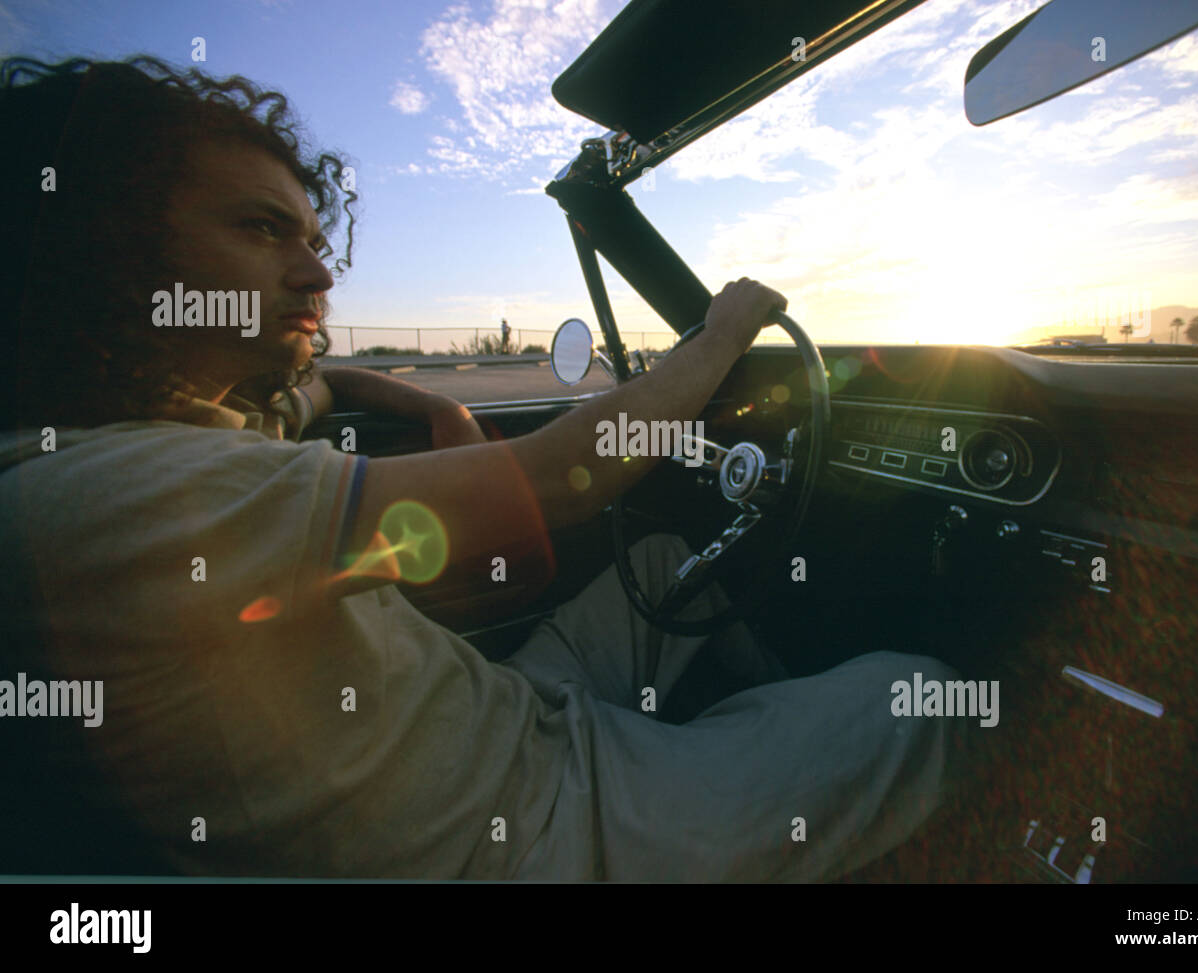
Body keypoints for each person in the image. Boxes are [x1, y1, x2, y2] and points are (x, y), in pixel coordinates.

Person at [0, 56, 966, 880]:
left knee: (674, 559)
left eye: (310, 235)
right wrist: (716, 336)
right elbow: (560, 474)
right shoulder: (114, 495)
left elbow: (324, 388)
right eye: (261, 229)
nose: (317, 271)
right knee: (918, 698)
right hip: (536, 829)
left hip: (514, 719)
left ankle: (758, 760)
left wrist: (434, 404)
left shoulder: (173, 434)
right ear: (104, 248)